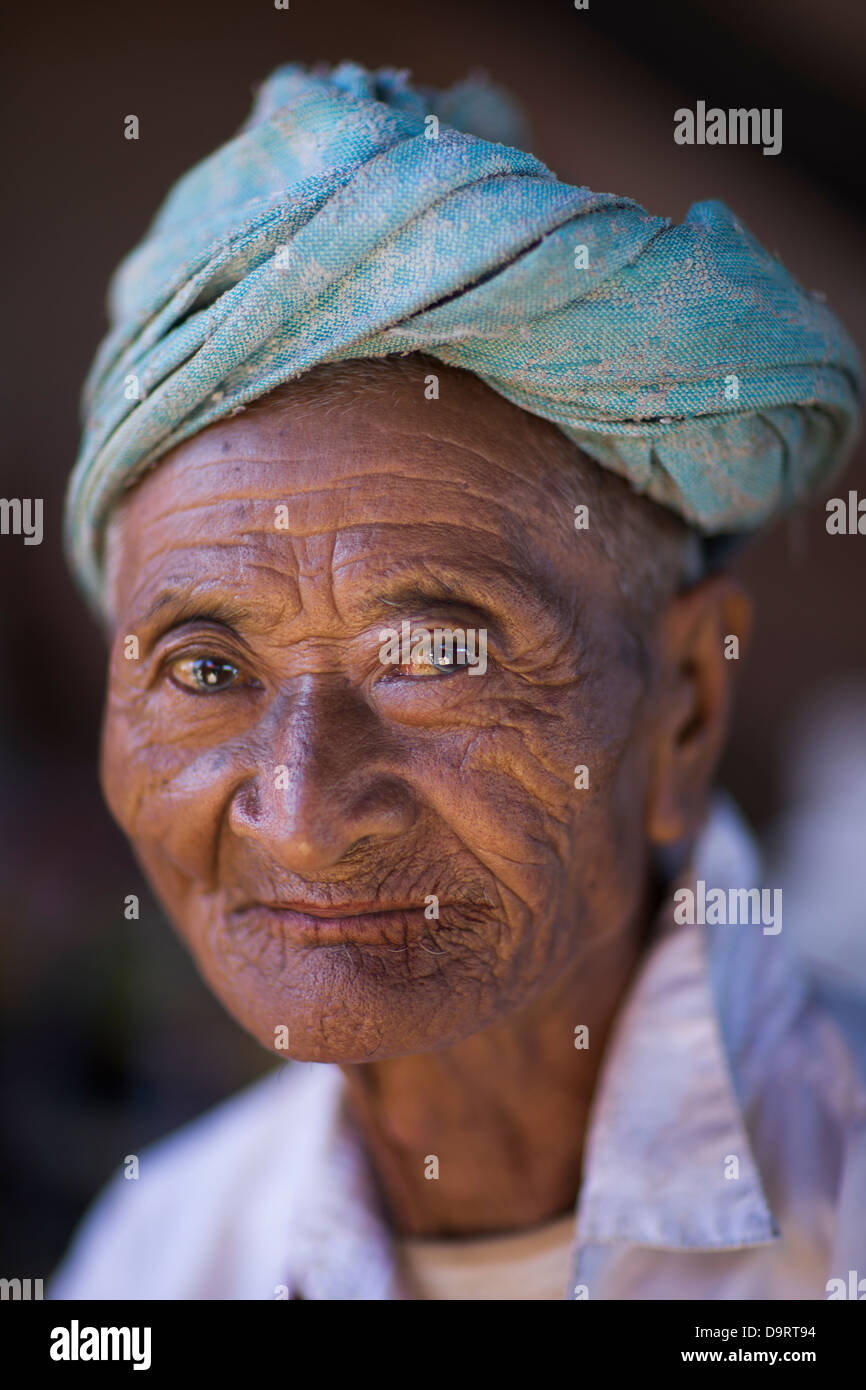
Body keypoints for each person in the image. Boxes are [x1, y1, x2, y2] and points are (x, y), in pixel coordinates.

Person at [50, 62, 864, 1301]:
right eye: (205, 668)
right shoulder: (155, 1263)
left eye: (434, 656)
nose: (305, 815)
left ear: (686, 703)